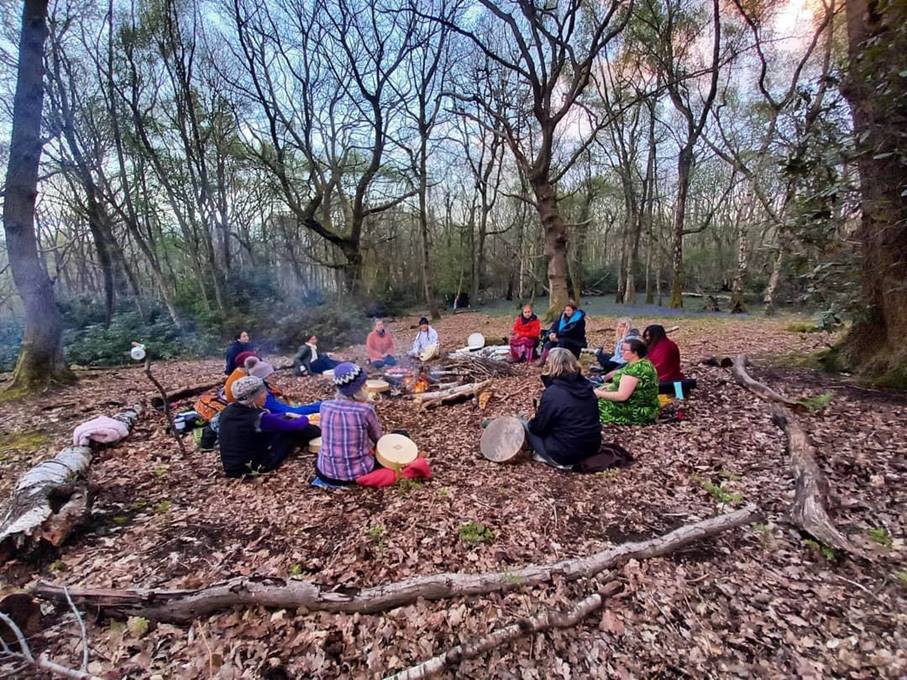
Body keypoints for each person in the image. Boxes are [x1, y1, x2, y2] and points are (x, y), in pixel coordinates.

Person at [218, 375, 321, 478]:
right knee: (292, 431)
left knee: (283, 424)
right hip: (253, 467)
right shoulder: (259, 418)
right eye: (263, 392)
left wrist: (284, 415)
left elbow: (271, 419)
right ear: (254, 396)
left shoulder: (228, 410)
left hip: (233, 467)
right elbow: (297, 425)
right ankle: (320, 432)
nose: (266, 395)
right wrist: (304, 418)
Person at [525, 348, 602, 470]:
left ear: (552, 366)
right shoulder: (586, 385)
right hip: (593, 446)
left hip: (565, 453)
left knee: (525, 425)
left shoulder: (554, 393)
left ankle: (549, 458)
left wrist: (531, 422)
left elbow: (539, 428)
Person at [315, 362, 383, 485]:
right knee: (400, 436)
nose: (366, 386)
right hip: (358, 473)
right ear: (359, 389)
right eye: (364, 384)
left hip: (325, 472)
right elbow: (378, 439)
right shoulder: (365, 410)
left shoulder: (324, 406)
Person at [594, 337, 659, 425]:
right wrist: (607, 387)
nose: (622, 352)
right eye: (622, 349)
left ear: (635, 352)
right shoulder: (643, 363)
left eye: (625, 350)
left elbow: (622, 396)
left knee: (592, 403)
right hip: (647, 406)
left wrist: (599, 393)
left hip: (636, 410)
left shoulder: (635, 370)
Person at [226, 356, 321, 416]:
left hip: (272, 406)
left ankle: (320, 405)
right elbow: (289, 413)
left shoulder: (254, 381)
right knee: (298, 411)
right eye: (268, 375)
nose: (271, 377)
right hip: (275, 410)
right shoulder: (257, 392)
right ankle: (322, 405)